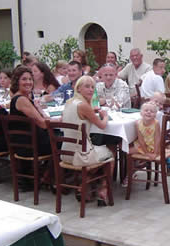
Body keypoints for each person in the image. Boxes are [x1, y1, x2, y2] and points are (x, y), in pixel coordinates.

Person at [61, 76, 114, 205]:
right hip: (80, 156)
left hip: (65, 153)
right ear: (78, 88)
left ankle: (85, 187)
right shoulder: (84, 105)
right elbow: (102, 125)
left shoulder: (69, 102)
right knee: (111, 152)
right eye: (87, 86)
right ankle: (103, 189)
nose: (90, 90)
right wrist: (105, 116)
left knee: (95, 151)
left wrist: (91, 111)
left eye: (92, 87)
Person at [9, 66, 52, 157]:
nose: (28, 82)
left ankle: (51, 169)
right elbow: (43, 124)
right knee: (66, 142)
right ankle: (54, 171)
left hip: (29, 143)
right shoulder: (21, 100)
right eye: (24, 79)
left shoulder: (23, 97)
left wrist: (38, 108)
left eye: (30, 79)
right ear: (17, 81)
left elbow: (44, 119)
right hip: (30, 146)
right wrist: (61, 121)